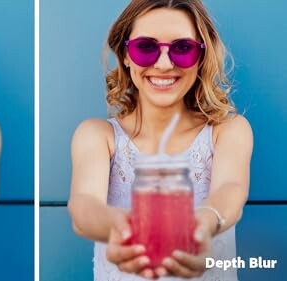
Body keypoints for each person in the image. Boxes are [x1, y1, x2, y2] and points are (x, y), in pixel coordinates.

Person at [68, 0, 253, 280]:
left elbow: (231, 191)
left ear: (201, 56)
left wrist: (201, 224)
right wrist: (120, 227)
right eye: (146, 47)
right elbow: (83, 207)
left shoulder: (228, 130)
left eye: (182, 48)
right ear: (125, 54)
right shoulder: (97, 135)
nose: (164, 64)